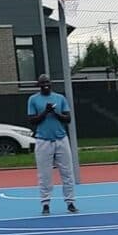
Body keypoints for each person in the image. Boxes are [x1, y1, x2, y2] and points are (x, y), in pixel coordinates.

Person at [27, 75, 77, 215]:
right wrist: (45, 112)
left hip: (61, 139)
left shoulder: (60, 98)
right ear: (39, 84)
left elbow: (68, 118)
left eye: (47, 82)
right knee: (44, 174)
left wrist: (55, 112)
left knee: (67, 172)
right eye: (42, 83)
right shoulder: (33, 99)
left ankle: (70, 202)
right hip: (43, 140)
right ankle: (45, 203)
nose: (45, 85)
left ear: (51, 83)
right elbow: (32, 120)